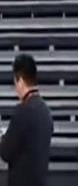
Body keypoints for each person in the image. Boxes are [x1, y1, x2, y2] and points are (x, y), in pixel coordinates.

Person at [0, 54, 53, 186]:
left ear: (20, 81)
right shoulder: (46, 111)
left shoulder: (22, 111)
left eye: (15, 83)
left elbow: (6, 152)